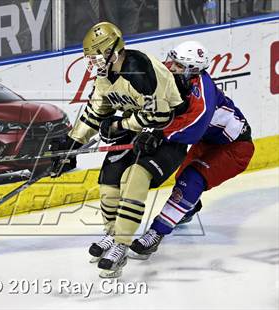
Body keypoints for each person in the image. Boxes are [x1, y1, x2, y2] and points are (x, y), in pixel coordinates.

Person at [52, 22, 190, 278]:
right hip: (136, 131)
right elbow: (96, 111)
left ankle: (121, 245)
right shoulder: (106, 75)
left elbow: (160, 115)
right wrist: (72, 144)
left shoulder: (141, 71)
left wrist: (120, 124)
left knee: (134, 177)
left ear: (111, 52)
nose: (92, 63)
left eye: (95, 57)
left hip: (167, 135)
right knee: (109, 179)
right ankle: (113, 232)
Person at [129, 41, 255, 259]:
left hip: (235, 148)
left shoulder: (203, 93)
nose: (171, 66)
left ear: (192, 70)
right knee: (183, 180)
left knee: (191, 180)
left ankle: (156, 234)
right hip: (208, 143)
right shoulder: (177, 77)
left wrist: (158, 134)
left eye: (178, 65)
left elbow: (193, 127)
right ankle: (188, 208)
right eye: (172, 60)